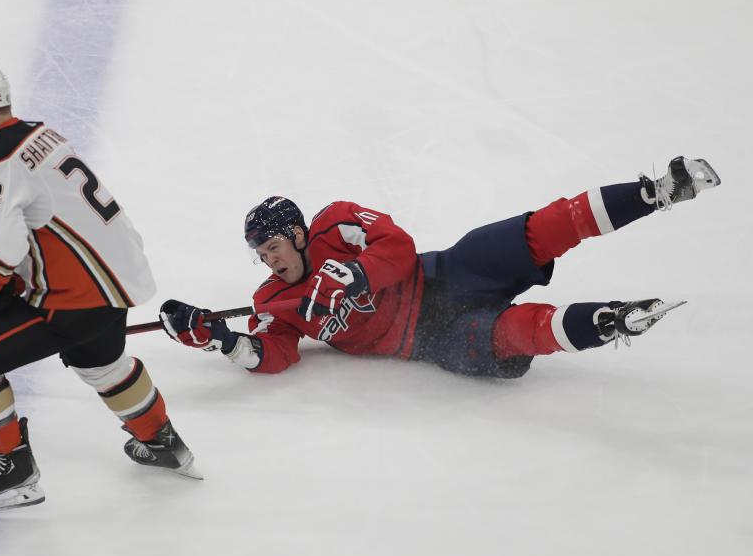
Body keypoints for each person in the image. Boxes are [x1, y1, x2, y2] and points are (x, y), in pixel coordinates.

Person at [158, 157, 721, 378]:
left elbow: (398, 247)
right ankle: (610, 322)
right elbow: (273, 353)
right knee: (512, 334)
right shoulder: (271, 304)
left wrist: (357, 274)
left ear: (300, 234)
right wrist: (222, 339)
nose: (269, 260)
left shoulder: (336, 222)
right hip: (428, 339)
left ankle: (653, 193)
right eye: (261, 255)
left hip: (444, 273)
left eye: (274, 247)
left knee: (532, 233)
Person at [0, 59, 199, 514]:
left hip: (74, 298)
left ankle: (13, 471)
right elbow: (46, 227)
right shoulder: (42, 133)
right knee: (100, 362)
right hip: (115, 281)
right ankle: (164, 444)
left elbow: (3, 248)